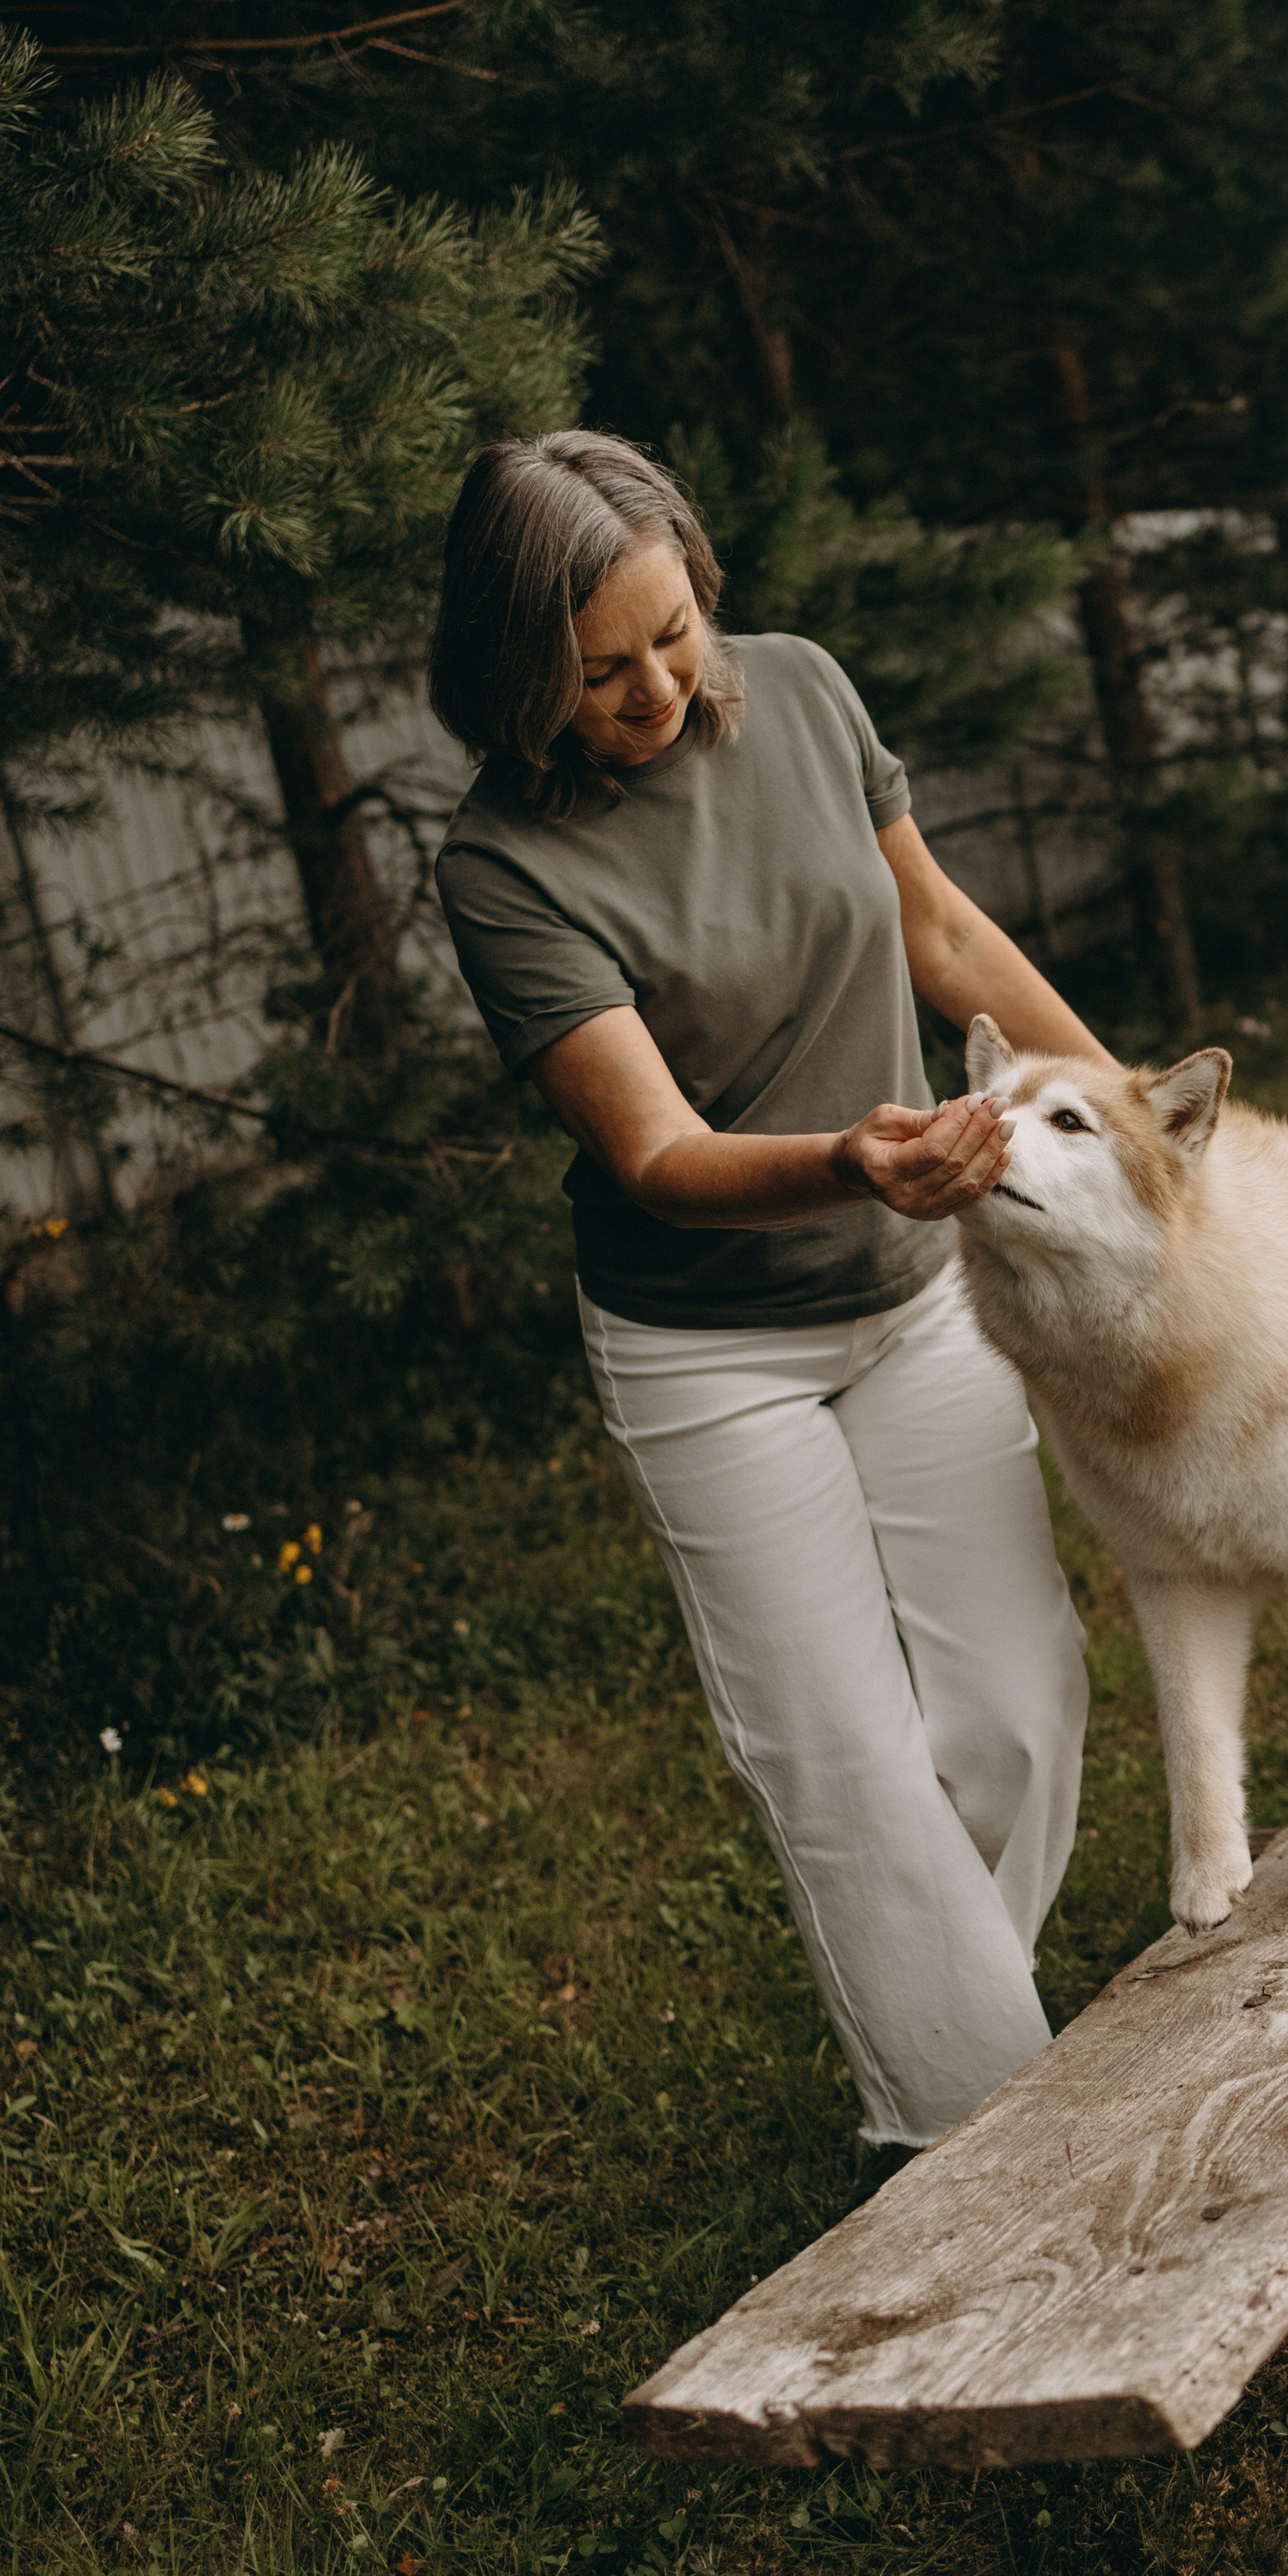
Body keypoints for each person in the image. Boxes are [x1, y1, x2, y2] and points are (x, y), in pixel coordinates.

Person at [428, 431, 1111, 2150]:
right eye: (600, 671)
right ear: (520, 674)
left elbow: (941, 939)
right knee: (843, 1761)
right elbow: (654, 1155)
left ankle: (947, 2046)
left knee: (1016, 1705)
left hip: (913, 1296)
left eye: (675, 634)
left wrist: (1137, 1124)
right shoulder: (503, 867)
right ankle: (977, 2146)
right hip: (707, 1352)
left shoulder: (797, 693)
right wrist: (847, 1155)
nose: (657, 686)